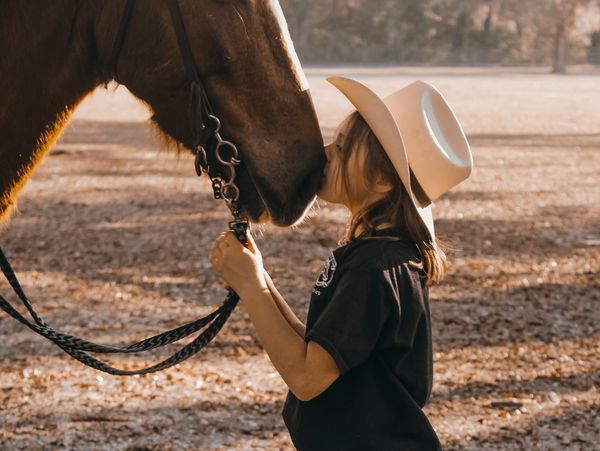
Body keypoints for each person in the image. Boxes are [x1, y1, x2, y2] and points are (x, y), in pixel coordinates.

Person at [210, 77, 473, 450]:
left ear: (381, 180)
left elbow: (306, 377)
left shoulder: (374, 268)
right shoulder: (381, 257)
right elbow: (318, 346)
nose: (326, 152)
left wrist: (252, 288)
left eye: (343, 146)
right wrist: (259, 278)